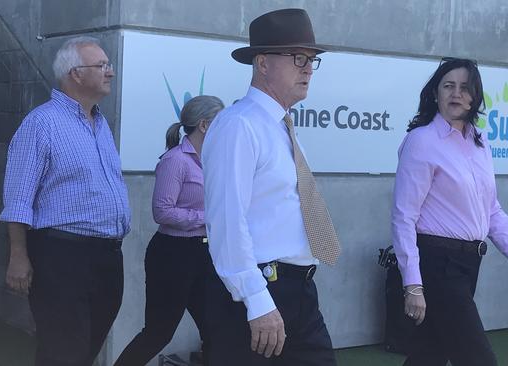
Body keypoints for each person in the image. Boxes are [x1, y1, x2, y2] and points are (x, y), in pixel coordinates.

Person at [201, 8, 341, 366]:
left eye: (311, 59)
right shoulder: (238, 126)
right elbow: (227, 221)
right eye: (298, 58)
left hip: (300, 291)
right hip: (260, 291)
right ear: (262, 64)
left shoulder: (281, 128)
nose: (308, 68)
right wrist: (257, 299)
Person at [391, 57, 508, 366]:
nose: (456, 94)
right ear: (435, 93)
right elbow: (404, 217)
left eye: (464, 87)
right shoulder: (421, 142)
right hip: (436, 264)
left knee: (429, 354)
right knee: (477, 358)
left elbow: (492, 209)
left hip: (469, 262)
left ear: (475, 97)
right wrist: (413, 284)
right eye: (448, 86)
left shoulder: (480, 142)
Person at [0, 36, 130, 366]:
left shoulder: (100, 124)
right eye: (102, 65)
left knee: (83, 351)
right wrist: (18, 256)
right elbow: (18, 196)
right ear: (76, 73)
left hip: (107, 256)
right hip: (62, 256)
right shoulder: (41, 123)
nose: (110, 72)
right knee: (64, 352)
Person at [114, 96, 224, 365]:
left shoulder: (214, 159)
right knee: (159, 333)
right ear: (205, 125)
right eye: (222, 121)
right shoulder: (175, 161)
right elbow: (162, 212)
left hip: (204, 253)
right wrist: (206, 217)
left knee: (217, 330)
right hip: (173, 255)